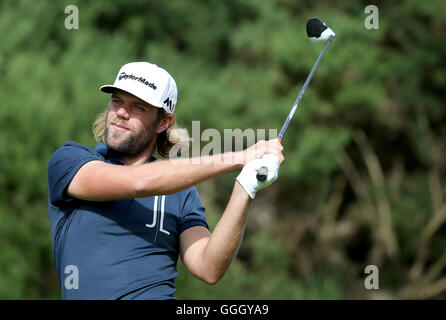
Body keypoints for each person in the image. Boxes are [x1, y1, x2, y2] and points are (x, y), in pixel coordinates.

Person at [47, 61, 284, 299]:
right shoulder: (70, 161)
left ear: (163, 122)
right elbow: (138, 183)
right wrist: (240, 157)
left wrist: (245, 186)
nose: (120, 112)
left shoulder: (181, 192)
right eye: (117, 101)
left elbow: (208, 267)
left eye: (138, 107)